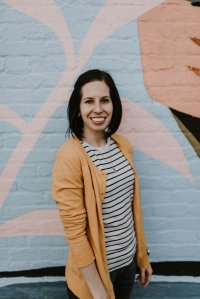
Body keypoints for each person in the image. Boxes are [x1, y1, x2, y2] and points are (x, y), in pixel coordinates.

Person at [51, 69, 152, 299]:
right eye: (89, 101)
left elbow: (131, 208)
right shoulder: (70, 156)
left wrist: (142, 257)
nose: (98, 109)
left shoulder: (123, 145)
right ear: (78, 108)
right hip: (94, 277)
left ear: (113, 104)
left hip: (127, 265)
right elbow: (75, 233)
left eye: (104, 100)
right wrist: (98, 292)